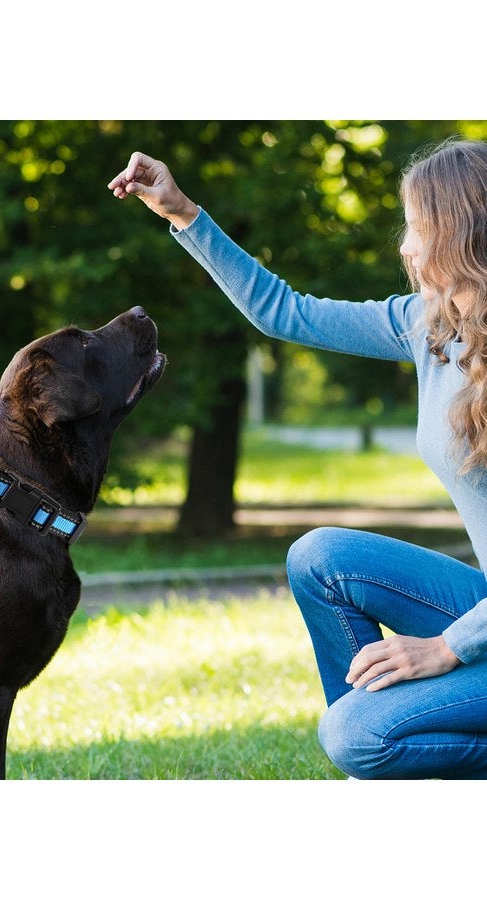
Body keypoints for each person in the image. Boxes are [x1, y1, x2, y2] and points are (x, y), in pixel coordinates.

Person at [108, 139, 487, 779]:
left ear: (461, 232)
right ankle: (382, 758)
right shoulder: (430, 328)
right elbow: (287, 312)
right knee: (321, 557)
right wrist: (183, 214)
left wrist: (448, 648)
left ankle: (373, 742)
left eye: (418, 229)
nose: (405, 248)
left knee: (356, 734)